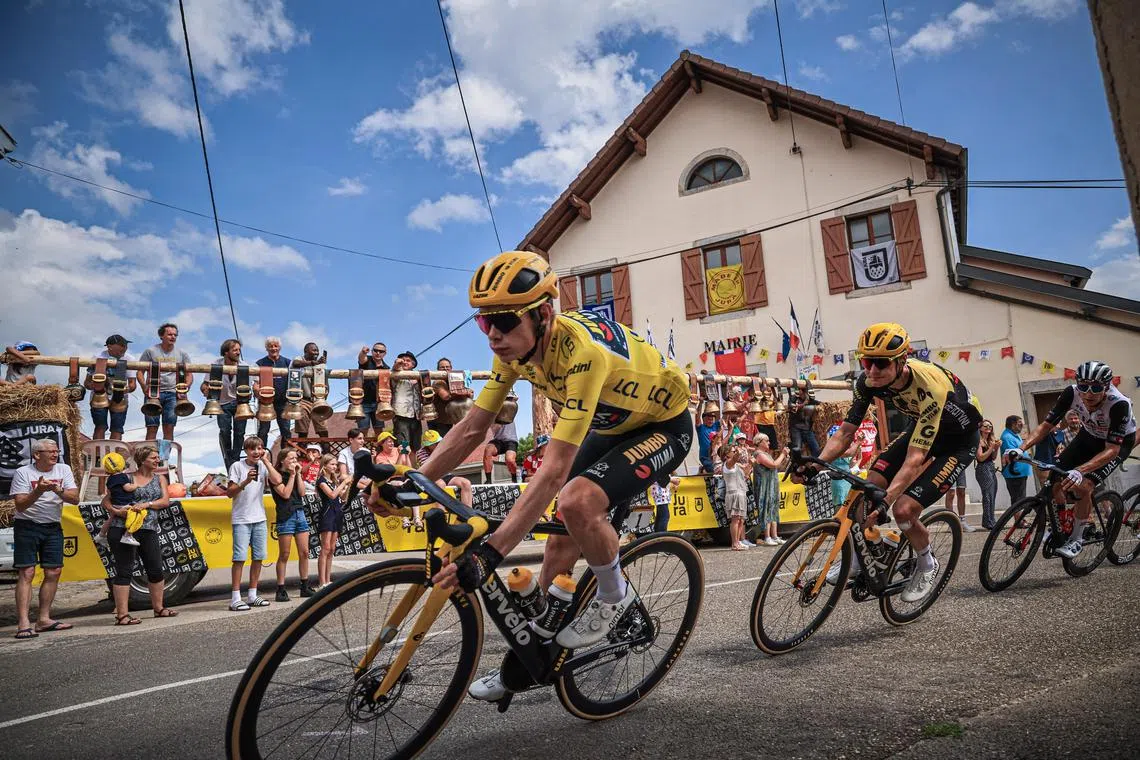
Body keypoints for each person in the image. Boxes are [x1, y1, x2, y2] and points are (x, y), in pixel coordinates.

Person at [364, 250, 691, 703]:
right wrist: (408, 481)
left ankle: (615, 598)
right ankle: (530, 657)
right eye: (484, 323)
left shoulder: (583, 355)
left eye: (504, 321)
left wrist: (491, 553)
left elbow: (554, 469)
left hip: (663, 427)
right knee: (559, 539)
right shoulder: (515, 352)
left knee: (577, 502)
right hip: (611, 427)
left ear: (543, 314)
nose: (494, 335)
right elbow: (471, 428)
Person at [795, 323, 981, 604]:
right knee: (865, 491)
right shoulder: (867, 383)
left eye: (880, 363)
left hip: (957, 442)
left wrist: (887, 501)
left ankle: (927, 563)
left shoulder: (930, 387)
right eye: (866, 362)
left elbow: (915, 458)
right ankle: (860, 559)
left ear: (902, 360)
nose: (871, 371)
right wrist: (815, 464)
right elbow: (846, 433)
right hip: (922, 427)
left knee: (903, 510)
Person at [1009, 361, 1135, 558]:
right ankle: (1061, 524)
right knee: (1053, 480)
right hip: (1089, 436)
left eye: (1096, 388)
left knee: (1083, 486)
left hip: (1115, 445)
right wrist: (1021, 447)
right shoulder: (1071, 392)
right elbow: (1046, 426)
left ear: (1107, 386)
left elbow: (1112, 450)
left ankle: (1077, 539)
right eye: (1084, 387)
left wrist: (1080, 470)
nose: (1088, 393)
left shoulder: (1119, 404)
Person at [10, 439, 79, 639]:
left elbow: (74, 499)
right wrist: (38, 490)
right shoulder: (23, 472)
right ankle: (23, 623)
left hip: (52, 526)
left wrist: (57, 490)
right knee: (27, 572)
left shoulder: (63, 469)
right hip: (27, 525)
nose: (55, 454)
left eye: (56, 451)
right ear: (36, 455)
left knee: (54, 571)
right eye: (50, 451)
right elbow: (20, 505)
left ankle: (44, 619)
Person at [104, 445, 177, 625]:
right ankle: (122, 615)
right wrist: (116, 511)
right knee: (125, 570)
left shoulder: (160, 479)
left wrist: (147, 504)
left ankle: (159, 608)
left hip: (148, 528)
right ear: (143, 459)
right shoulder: (125, 477)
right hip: (122, 528)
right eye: (153, 457)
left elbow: (165, 501)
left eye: (157, 457)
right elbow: (105, 500)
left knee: (155, 568)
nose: (157, 460)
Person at [226, 436, 280, 611]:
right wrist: (246, 481)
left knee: (258, 557)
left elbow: (278, 480)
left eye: (259, 448)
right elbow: (230, 493)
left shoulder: (263, 465)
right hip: (241, 518)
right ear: (246, 451)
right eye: (252, 449)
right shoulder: (237, 466)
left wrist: (266, 461)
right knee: (239, 558)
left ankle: (252, 594)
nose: (256, 452)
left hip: (259, 518)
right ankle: (235, 598)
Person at [136, 324, 192, 441]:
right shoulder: (150, 351)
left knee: (169, 427)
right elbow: (140, 371)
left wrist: (186, 385)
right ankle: (150, 456)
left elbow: (189, 374)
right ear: (161, 335)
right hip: (153, 393)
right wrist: (144, 387)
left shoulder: (182, 354)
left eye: (175, 335)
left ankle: (164, 458)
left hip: (173, 393)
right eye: (170, 334)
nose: (173, 337)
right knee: (152, 428)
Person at [272, 448, 313, 601]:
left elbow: (302, 493)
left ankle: (304, 585)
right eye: (291, 458)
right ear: (282, 460)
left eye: (296, 458)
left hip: (299, 512)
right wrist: (292, 476)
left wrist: (299, 475)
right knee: (285, 554)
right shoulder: (276, 476)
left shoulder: (296, 474)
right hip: (285, 515)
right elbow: (285, 493)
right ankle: (281, 588)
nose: (295, 461)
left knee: (304, 552)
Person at [201, 338, 248, 469]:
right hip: (222, 404)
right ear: (226, 352)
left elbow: (255, 384)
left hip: (240, 403)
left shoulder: (244, 366)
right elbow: (204, 385)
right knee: (225, 430)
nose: (238, 352)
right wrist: (206, 390)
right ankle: (228, 459)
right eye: (235, 350)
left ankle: (235, 460)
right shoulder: (215, 366)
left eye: (239, 350)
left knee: (240, 433)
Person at [88, 335, 135, 440]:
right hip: (99, 396)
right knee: (100, 426)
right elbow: (87, 383)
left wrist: (125, 389)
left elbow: (132, 384)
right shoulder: (97, 357)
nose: (125, 347)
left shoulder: (130, 359)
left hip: (120, 397)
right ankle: (98, 455)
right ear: (110, 346)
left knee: (117, 428)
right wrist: (96, 385)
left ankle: (114, 456)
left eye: (126, 345)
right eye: (122, 345)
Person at [314, 454, 351, 591]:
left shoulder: (334, 481)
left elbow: (342, 497)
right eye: (332, 464)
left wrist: (347, 488)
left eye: (336, 464)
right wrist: (343, 482)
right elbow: (332, 495)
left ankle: (328, 580)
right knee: (325, 548)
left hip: (337, 513)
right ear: (325, 465)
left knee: (332, 548)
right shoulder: (322, 481)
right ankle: (321, 581)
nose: (335, 467)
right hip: (327, 513)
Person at [415, 429, 473, 508]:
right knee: (440, 484)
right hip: (431, 477)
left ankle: (468, 513)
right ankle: (441, 514)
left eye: (438, 442)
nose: (438, 444)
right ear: (428, 445)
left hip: (446, 475)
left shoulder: (444, 448)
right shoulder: (421, 452)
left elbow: (450, 463)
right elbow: (430, 468)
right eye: (435, 443)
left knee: (466, 483)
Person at [753, 433, 788, 546]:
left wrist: (784, 457)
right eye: (766, 441)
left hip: (771, 484)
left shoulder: (766, 454)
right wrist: (782, 454)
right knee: (767, 509)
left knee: (773, 509)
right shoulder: (759, 454)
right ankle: (767, 536)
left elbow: (777, 465)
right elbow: (773, 465)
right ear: (760, 442)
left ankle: (774, 535)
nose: (769, 442)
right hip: (764, 486)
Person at [255, 337, 292, 446]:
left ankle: (285, 457)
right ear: (266, 348)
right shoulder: (260, 363)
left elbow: (294, 380)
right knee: (263, 430)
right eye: (270, 346)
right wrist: (257, 392)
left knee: (286, 430)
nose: (273, 348)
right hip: (266, 402)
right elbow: (255, 383)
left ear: (279, 347)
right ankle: (261, 455)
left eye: (275, 346)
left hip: (283, 402)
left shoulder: (287, 362)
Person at [292, 342, 329, 439]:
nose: (316, 353)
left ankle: (327, 453)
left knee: (323, 431)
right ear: (306, 351)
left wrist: (324, 398)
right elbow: (295, 364)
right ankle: (302, 453)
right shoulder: (300, 359)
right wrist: (313, 363)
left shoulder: (321, 365)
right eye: (314, 350)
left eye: (317, 351)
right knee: (303, 432)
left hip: (318, 399)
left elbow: (326, 383)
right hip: (304, 400)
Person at [720, 444, 751, 550]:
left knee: (741, 519)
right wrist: (739, 452)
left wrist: (750, 464)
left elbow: (746, 475)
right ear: (726, 453)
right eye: (732, 451)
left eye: (734, 451)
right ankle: (734, 543)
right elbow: (734, 458)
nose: (734, 452)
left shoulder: (736, 465)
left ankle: (738, 541)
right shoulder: (728, 464)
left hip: (741, 491)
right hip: (734, 493)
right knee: (735, 519)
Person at [357, 342, 390, 436]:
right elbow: (361, 359)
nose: (378, 353)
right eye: (375, 350)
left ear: (385, 353)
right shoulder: (367, 360)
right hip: (363, 402)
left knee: (379, 430)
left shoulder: (386, 367)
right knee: (363, 430)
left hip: (379, 403)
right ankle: (362, 450)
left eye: (381, 351)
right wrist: (363, 352)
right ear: (372, 351)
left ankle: (378, 450)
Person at [391, 351, 422, 451]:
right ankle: (404, 467)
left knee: (415, 447)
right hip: (401, 415)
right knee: (403, 446)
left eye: (408, 361)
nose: (405, 362)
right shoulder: (396, 374)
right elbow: (395, 367)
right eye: (403, 360)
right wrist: (398, 362)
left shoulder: (418, 376)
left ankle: (413, 467)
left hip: (416, 415)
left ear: (413, 364)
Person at [975, 420, 1000, 530]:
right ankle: (987, 521)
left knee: (992, 494)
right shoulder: (978, 441)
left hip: (990, 467)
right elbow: (980, 458)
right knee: (987, 496)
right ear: (980, 428)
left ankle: (991, 520)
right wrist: (991, 447)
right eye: (985, 426)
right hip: (983, 468)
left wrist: (996, 447)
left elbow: (993, 457)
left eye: (990, 426)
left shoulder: (990, 440)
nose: (988, 428)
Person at [1000, 415, 1031, 504]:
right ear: (1013, 424)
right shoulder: (1007, 437)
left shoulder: (1014, 435)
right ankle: (1019, 518)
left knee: (1021, 499)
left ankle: (1020, 518)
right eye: (1020, 424)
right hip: (1014, 473)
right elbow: (1013, 456)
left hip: (1020, 473)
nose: (1022, 425)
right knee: (1017, 501)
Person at [484, 419, 520, 484]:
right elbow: (496, 427)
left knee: (510, 460)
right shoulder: (490, 416)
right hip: (498, 440)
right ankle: (488, 480)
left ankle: (514, 478)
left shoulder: (507, 411)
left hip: (511, 440)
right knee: (488, 450)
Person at [788, 387, 820, 457]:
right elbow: (792, 408)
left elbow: (820, 404)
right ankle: (797, 466)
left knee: (816, 449)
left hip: (807, 428)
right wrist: (804, 404)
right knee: (797, 449)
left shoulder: (810, 399)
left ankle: (814, 465)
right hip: (796, 428)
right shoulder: (793, 398)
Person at [696, 407, 721, 473]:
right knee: (711, 468)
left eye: (712, 419)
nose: (711, 421)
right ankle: (703, 469)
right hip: (705, 457)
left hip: (715, 457)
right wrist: (701, 403)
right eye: (709, 419)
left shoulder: (715, 426)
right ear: (704, 420)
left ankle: (704, 470)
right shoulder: (701, 428)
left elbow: (724, 417)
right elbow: (697, 416)